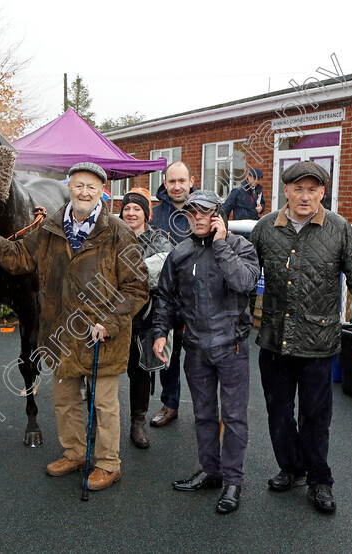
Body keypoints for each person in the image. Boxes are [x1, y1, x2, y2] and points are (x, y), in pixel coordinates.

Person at [0, 162, 148, 492]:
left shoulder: (117, 232)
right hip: (61, 335)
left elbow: (137, 286)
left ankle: (109, 465)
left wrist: (109, 322)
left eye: (92, 187)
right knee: (65, 401)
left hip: (101, 336)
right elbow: (20, 258)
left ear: (101, 192)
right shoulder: (50, 228)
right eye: (79, 186)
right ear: (69, 187)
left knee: (104, 405)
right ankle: (76, 453)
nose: (84, 192)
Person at [249, 161, 352, 514]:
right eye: (298, 189)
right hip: (274, 341)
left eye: (313, 190)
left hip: (318, 343)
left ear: (323, 192)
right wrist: (239, 325)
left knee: (315, 415)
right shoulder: (264, 229)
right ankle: (291, 467)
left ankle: (320, 479)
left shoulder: (338, 228)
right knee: (278, 413)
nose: (305, 196)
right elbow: (244, 280)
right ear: (286, 191)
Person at [151, 189, 259, 514]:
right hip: (195, 348)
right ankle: (211, 471)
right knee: (203, 415)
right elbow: (165, 297)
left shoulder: (242, 247)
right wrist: (160, 332)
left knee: (235, 417)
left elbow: (244, 284)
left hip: (232, 347)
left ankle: (233, 482)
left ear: (219, 216)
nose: (198, 218)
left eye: (206, 212)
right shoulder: (180, 253)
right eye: (193, 212)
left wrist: (221, 243)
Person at [119, 188, 172, 449]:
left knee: (139, 372)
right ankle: (97, 425)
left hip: (143, 318)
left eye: (136, 208)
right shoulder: (112, 236)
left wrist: (127, 276)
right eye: (127, 208)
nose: (131, 213)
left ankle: (137, 423)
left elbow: (164, 270)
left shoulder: (159, 239)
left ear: (146, 214)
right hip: (113, 317)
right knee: (104, 373)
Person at [147, 160, 196, 429]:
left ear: (191, 181)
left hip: (198, 299)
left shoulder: (205, 210)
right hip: (165, 297)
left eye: (182, 181)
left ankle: (205, 408)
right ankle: (170, 404)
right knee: (167, 354)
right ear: (165, 183)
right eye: (172, 181)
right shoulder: (155, 214)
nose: (177, 186)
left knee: (201, 357)